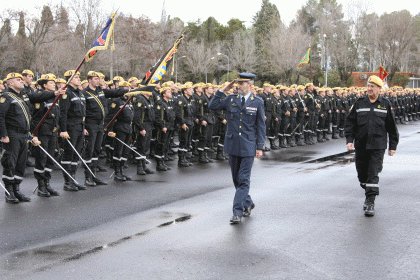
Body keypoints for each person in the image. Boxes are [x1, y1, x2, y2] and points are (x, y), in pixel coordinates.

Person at [209, 73, 266, 224]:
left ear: (250, 85)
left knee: (244, 179)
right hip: (233, 144)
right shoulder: (230, 99)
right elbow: (212, 105)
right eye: (237, 83)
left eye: (242, 83)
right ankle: (248, 202)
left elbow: (261, 126)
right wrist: (223, 90)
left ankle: (237, 212)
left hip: (248, 145)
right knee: (236, 179)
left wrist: (260, 147)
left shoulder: (258, 102)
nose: (238, 86)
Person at [345, 75, 399, 217]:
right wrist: (349, 140)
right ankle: (368, 189)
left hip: (378, 146)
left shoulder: (385, 104)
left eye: (372, 86)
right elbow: (350, 123)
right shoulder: (359, 103)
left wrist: (393, 145)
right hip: (361, 145)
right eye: (368, 86)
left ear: (379, 89)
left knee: (372, 173)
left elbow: (392, 127)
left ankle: (370, 201)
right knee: (362, 175)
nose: (369, 89)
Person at [0, 73, 40, 203]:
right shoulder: (6, 97)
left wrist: (30, 135)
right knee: (10, 163)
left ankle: (16, 190)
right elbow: (1, 117)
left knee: (20, 164)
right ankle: (9, 192)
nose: (22, 81)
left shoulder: (21, 97)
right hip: (12, 135)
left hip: (23, 135)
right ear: (11, 83)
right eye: (18, 80)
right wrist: (4, 135)